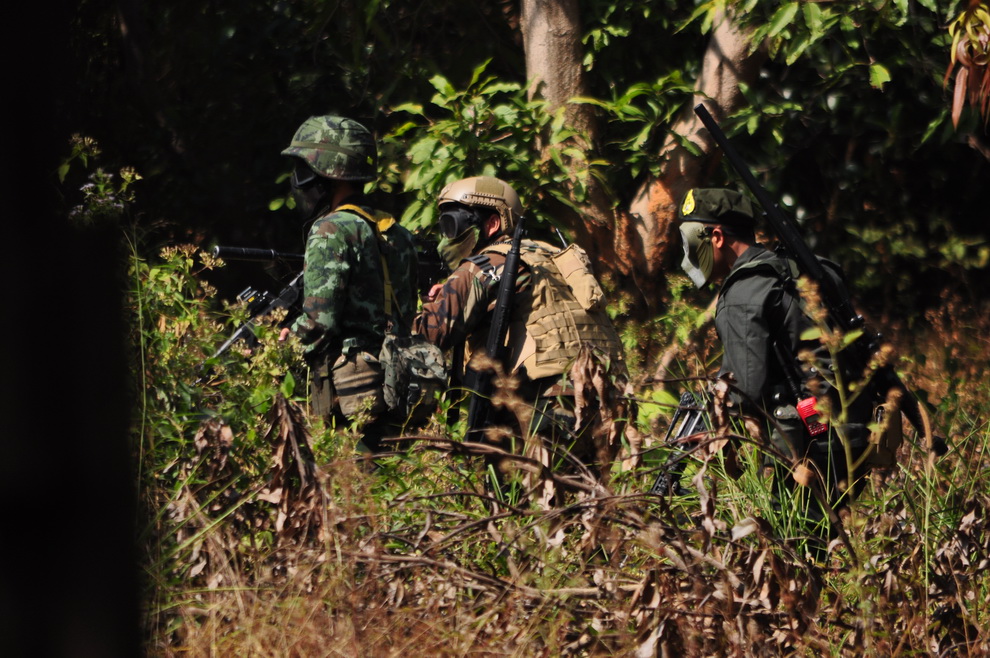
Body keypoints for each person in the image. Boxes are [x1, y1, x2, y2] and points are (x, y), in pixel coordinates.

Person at [676, 187, 876, 539]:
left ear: (717, 237)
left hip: (813, 443)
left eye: (691, 240)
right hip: (858, 431)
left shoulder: (744, 292)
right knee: (822, 542)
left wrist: (706, 427)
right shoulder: (802, 269)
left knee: (795, 549)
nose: (688, 254)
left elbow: (745, 390)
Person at [412, 175, 625, 472]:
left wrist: (412, 305)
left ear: (492, 223)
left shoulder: (485, 264)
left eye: (453, 224)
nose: (448, 237)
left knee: (529, 495)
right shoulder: (553, 256)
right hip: (606, 396)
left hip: (547, 402)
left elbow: (429, 335)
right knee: (589, 493)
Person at [279, 115, 419, 452]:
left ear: (326, 172)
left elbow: (319, 323)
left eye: (304, 169)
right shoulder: (398, 233)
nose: (299, 181)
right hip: (397, 383)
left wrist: (274, 350)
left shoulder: (331, 229)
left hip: (351, 394)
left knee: (350, 479)